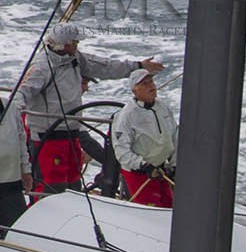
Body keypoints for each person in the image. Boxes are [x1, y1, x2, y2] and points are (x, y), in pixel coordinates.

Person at [14, 22, 161, 193]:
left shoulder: (76, 58)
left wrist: (138, 66)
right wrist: (12, 114)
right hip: (48, 137)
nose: (77, 45)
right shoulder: (41, 67)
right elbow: (22, 92)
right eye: (74, 42)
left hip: (71, 133)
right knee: (51, 186)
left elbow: (104, 66)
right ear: (63, 44)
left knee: (74, 185)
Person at [110, 68, 177, 207]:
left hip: (162, 170)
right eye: (144, 84)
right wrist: (143, 165)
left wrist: (174, 164)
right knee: (150, 213)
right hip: (140, 174)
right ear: (134, 90)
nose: (151, 86)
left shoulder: (163, 107)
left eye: (151, 81)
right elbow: (121, 151)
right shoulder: (126, 116)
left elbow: (174, 136)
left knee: (169, 208)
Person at [0, 99, 31, 237]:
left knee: (17, 232)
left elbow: (21, 138)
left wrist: (26, 170)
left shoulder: (11, 107)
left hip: (12, 183)